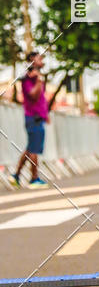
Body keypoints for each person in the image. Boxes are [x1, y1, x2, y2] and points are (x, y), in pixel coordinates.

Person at [11, 51, 49, 188]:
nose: (42, 60)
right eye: (39, 58)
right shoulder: (28, 78)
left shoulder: (35, 77)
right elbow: (33, 95)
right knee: (34, 149)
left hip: (38, 117)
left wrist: (46, 115)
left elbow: (41, 99)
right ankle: (34, 179)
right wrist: (38, 81)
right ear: (32, 60)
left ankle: (16, 175)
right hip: (33, 117)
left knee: (30, 148)